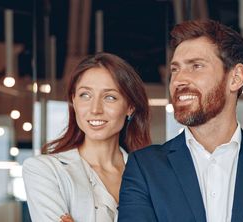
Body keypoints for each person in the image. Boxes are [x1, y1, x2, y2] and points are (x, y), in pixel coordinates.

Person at [117, 19, 243, 222]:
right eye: (175, 69)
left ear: (235, 78)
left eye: (196, 66)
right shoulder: (145, 168)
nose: (179, 79)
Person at [23, 52, 151, 222]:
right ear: (73, 101)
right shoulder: (44, 170)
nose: (95, 109)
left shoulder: (149, 175)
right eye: (85, 95)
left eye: (110, 97)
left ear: (130, 107)